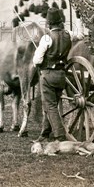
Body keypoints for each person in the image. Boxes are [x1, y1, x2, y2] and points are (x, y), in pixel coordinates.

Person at [32, 8, 75, 142]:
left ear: (49, 24)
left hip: (48, 76)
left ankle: (59, 136)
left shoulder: (47, 38)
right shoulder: (69, 34)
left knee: (50, 106)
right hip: (62, 76)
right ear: (60, 22)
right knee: (51, 105)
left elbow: (37, 60)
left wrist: (37, 64)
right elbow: (81, 36)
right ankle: (44, 134)